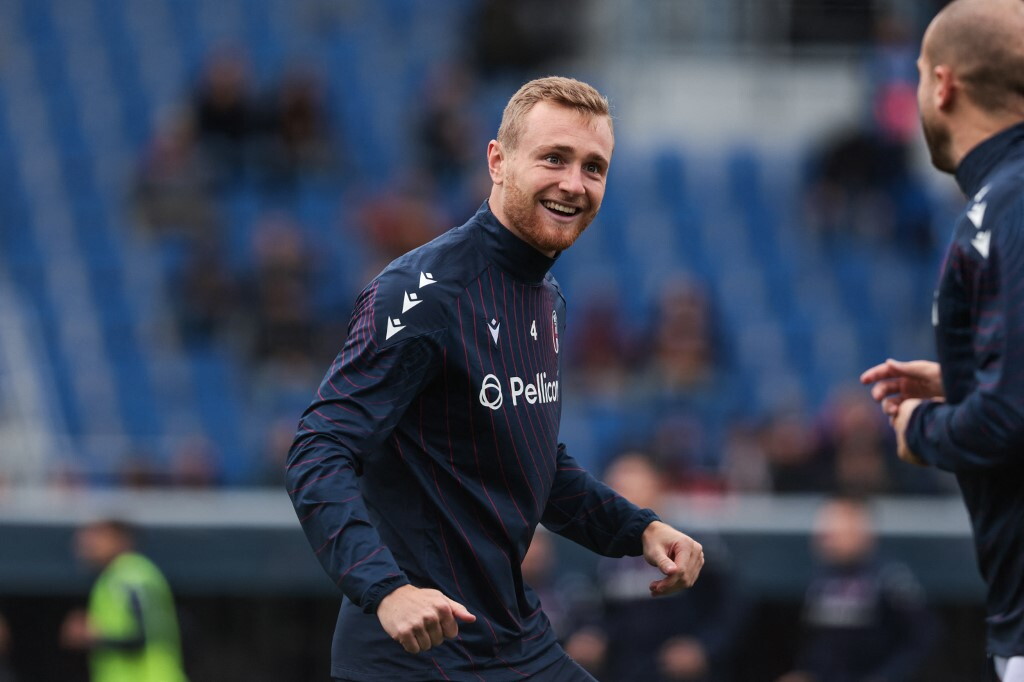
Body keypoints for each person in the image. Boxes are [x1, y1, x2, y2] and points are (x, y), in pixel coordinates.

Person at [286, 76, 705, 681]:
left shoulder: (548, 299)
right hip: (413, 655)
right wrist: (386, 590)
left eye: (593, 167)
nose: (574, 183)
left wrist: (639, 529)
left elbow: (533, 466)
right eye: (554, 158)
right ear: (498, 161)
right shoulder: (422, 293)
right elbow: (318, 448)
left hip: (513, 640)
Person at [859, 2, 1024, 679]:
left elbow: (1008, 420)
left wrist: (920, 428)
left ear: (944, 83)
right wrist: (967, 380)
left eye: (919, 73)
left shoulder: (1007, 204)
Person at [565, 452, 745, 682]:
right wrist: (592, 635)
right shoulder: (603, 554)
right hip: (624, 671)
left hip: (680, 673)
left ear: (659, 488)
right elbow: (596, 613)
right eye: (615, 490)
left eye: (631, 487)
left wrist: (703, 647)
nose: (621, 498)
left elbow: (729, 609)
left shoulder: (691, 544)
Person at [776, 495, 937, 682]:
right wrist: (805, 673)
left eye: (836, 531)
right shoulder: (819, 578)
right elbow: (817, 644)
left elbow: (923, 638)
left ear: (861, 531)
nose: (826, 538)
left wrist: (886, 676)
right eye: (824, 532)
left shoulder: (890, 577)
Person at [60, 519, 188, 682]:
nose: (86, 542)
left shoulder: (132, 575)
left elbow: (143, 636)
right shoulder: (112, 578)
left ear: (121, 539)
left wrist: (94, 637)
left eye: (97, 535)